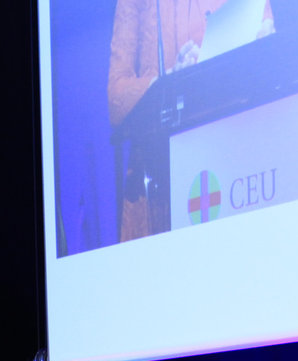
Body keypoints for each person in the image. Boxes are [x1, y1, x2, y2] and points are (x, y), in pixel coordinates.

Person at [108, 0, 275, 241]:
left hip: (235, 157)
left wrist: (265, 41)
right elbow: (116, 99)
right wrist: (169, 82)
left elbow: (264, 36)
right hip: (163, 176)